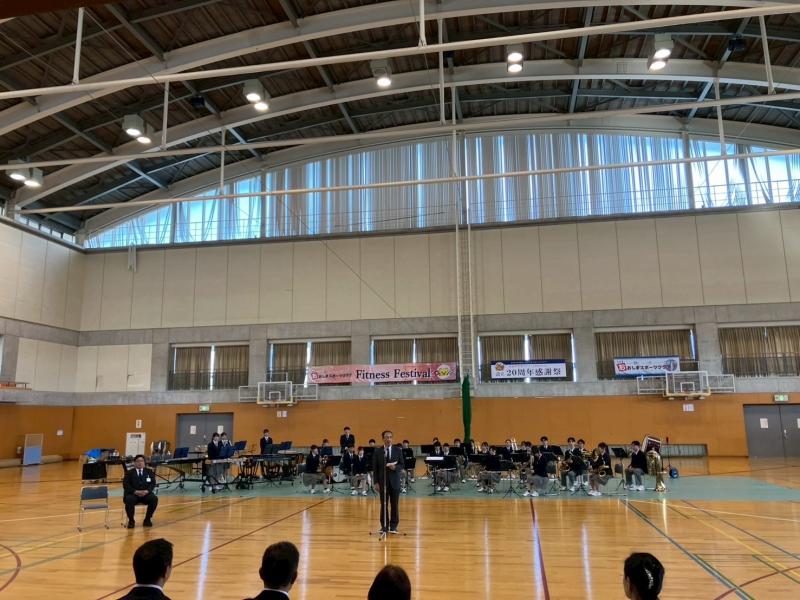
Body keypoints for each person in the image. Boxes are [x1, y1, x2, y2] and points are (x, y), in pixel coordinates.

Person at [373, 430, 404, 533]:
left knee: (394, 504)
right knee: (384, 504)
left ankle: (394, 526)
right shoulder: (378, 451)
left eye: (390, 437)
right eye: (387, 437)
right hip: (383, 483)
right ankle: (384, 526)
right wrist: (376, 482)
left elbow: (402, 464)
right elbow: (375, 468)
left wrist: (395, 467)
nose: (389, 439)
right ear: (383, 438)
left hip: (395, 482)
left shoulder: (398, 450)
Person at [123, 455, 159, 529]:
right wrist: (135, 491)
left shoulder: (149, 471)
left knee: (154, 499)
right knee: (129, 499)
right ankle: (131, 521)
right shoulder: (129, 473)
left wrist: (147, 491)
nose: (140, 463)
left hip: (146, 494)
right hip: (133, 494)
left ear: (144, 462)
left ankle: (147, 519)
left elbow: (153, 483)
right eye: (138, 461)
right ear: (134, 463)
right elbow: (126, 485)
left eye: (142, 461)